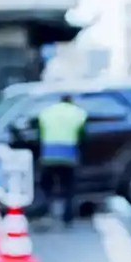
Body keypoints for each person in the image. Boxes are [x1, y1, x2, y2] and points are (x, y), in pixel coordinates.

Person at [35, 94, 88, 228]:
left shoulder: (47, 112)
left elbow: (39, 134)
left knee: (48, 186)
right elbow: (83, 136)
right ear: (71, 101)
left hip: (49, 156)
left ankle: (46, 212)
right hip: (68, 156)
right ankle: (67, 217)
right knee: (68, 187)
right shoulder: (78, 113)